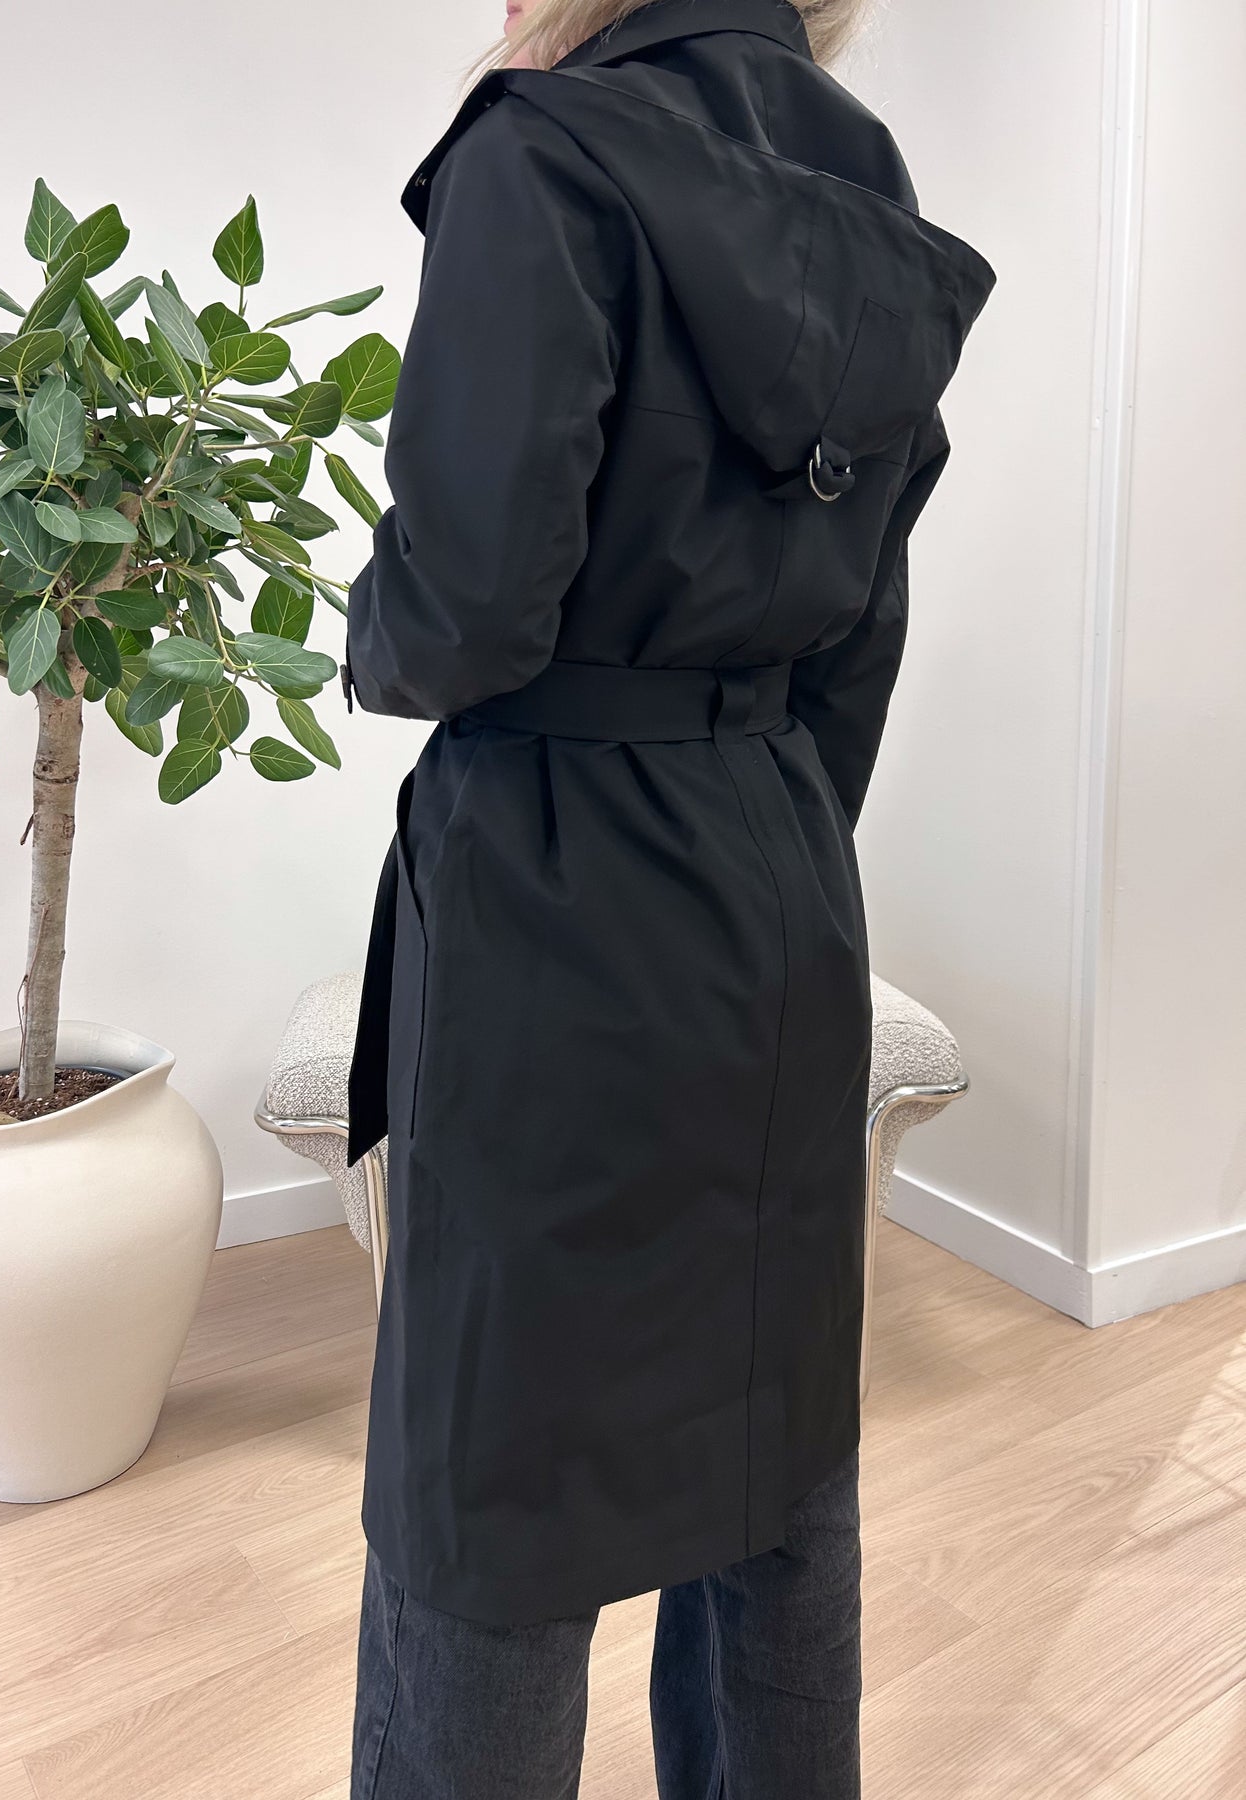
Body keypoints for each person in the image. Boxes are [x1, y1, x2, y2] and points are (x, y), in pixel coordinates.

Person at [343, 0, 995, 1792]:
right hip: (777, 870)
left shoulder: (535, 149)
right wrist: (760, 820)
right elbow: (860, 631)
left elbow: (463, 612)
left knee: (490, 1476)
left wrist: (365, 628)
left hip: (552, 876)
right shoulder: (863, 185)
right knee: (770, 1442)